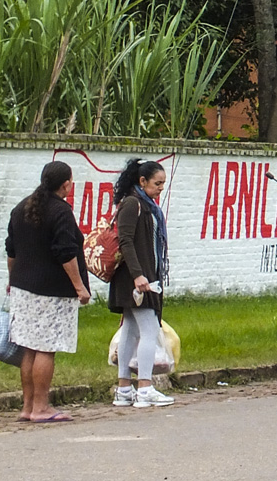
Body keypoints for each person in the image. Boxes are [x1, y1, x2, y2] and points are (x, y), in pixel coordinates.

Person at [6, 161, 91, 423]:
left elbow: (11, 250)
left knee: (29, 348)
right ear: (66, 183)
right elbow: (66, 253)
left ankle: (27, 406)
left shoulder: (22, 207)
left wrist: (12, 280)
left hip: (22, 287)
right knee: (46, 348)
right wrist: (80, 287)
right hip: (51, 290)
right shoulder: (61, 212)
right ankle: (42, 408)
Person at [108, 158, 174, 408]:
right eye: (157, 183)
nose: (160, 188)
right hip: (137, 278)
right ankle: (145, 387)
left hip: (142, 276)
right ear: (142, 181)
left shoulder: (145, 205)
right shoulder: (133, 204)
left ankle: (124, 388)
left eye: (163, 184)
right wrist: (138, 275)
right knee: (149, 330)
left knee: (131, 331)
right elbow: (125, 241)